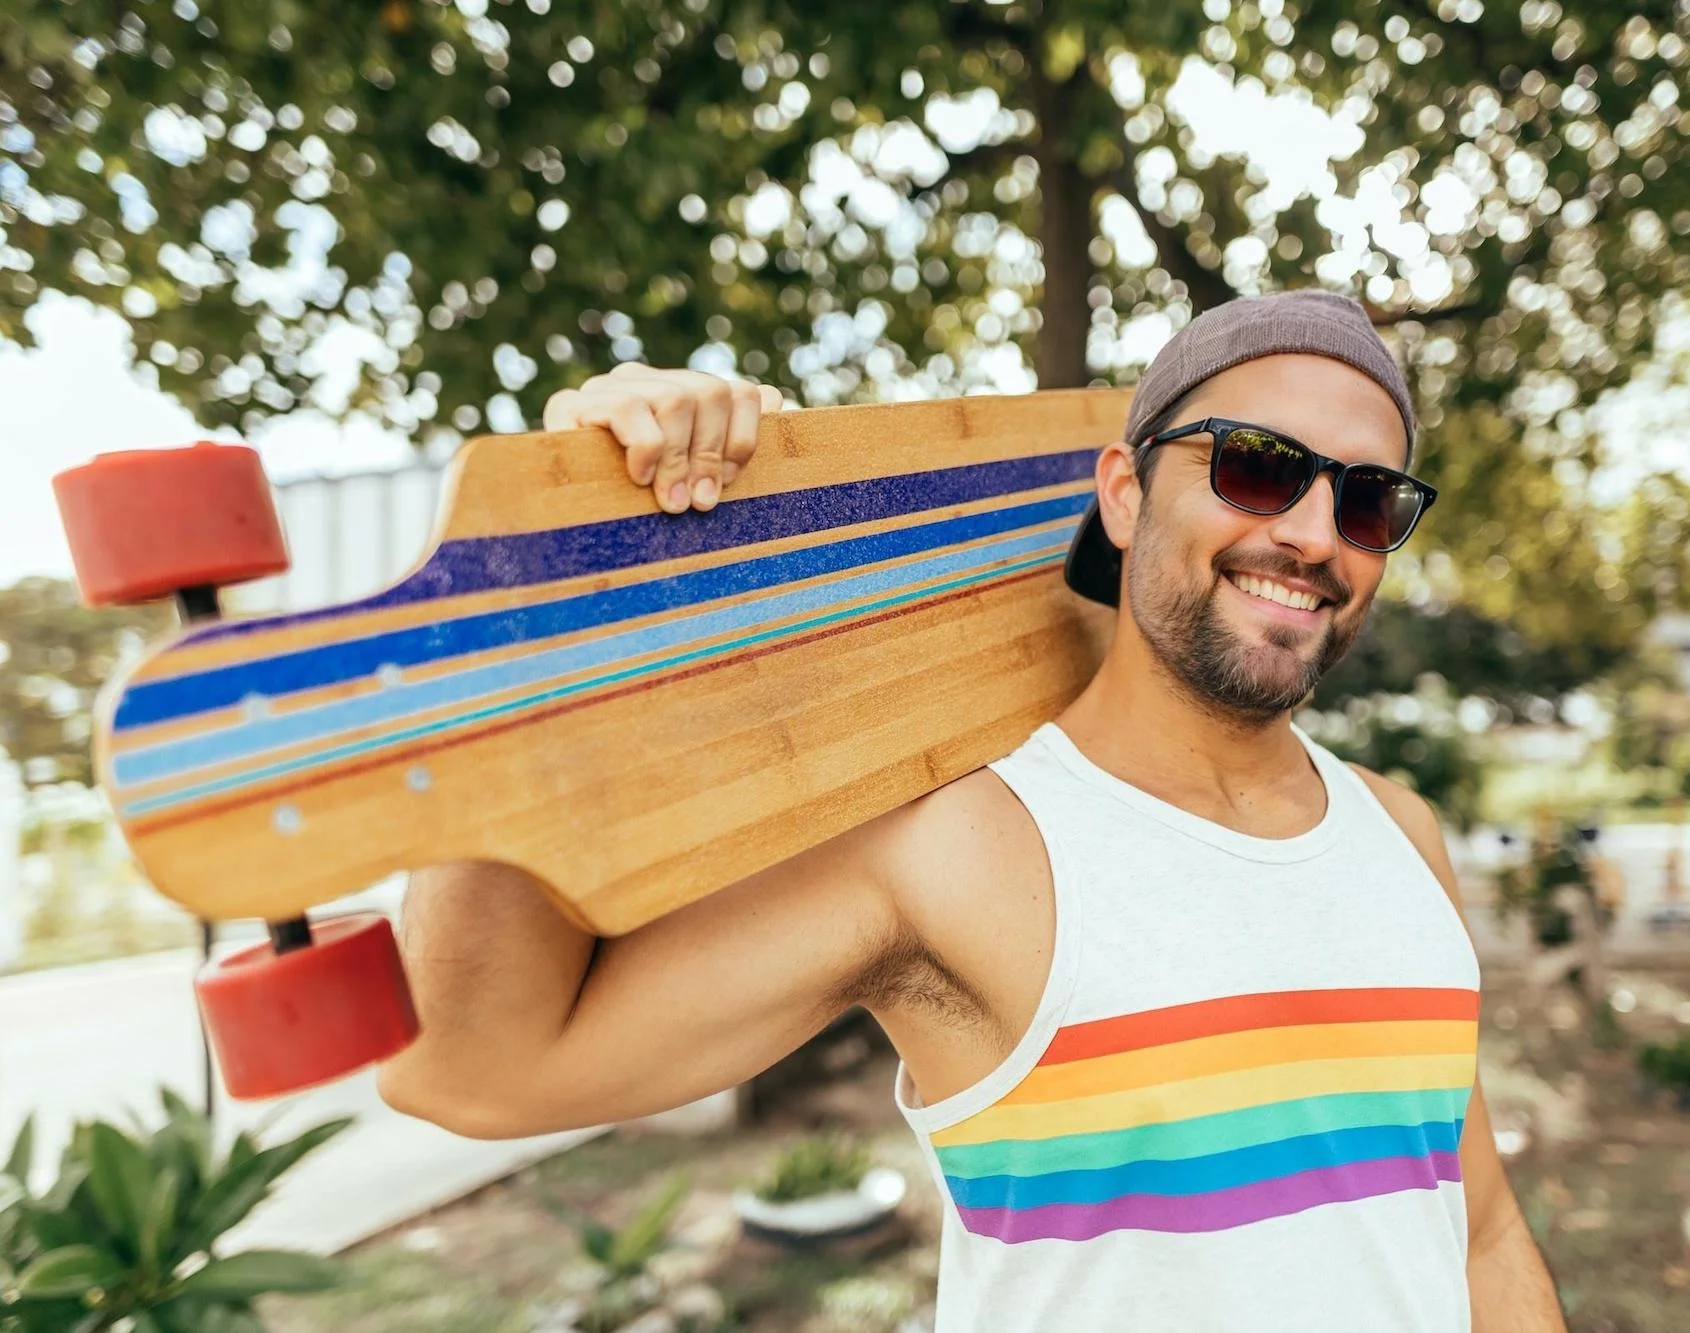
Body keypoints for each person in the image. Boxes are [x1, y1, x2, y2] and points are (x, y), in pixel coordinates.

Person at [379, 289, 1568, 1331]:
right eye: (1256, 464)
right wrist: (541, 583)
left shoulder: (1399, 835)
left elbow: (1477, 1234)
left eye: (1366, 503)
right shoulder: (955, 847)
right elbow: (474, 1073)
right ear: (1122, 491)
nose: (1311, 533)